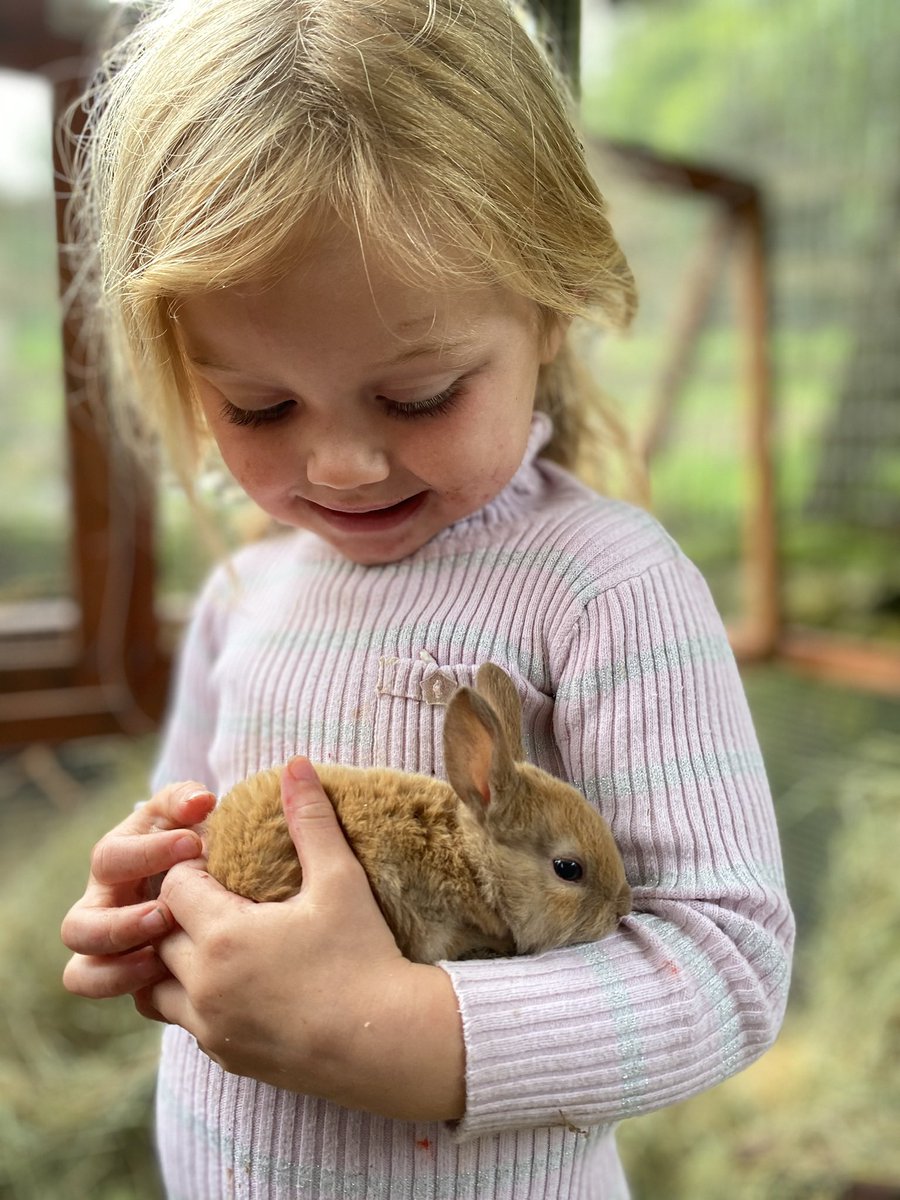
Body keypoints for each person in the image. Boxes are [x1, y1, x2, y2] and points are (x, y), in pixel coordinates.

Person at [60, 0, 794, 1196]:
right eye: (259, 408)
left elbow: (727, 962)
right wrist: (143, 900)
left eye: (420, 397)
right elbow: (190, 833)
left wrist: (398, 1031)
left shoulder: (605, 586)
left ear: (548, 308)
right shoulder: (248, 592)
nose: (342, 465)